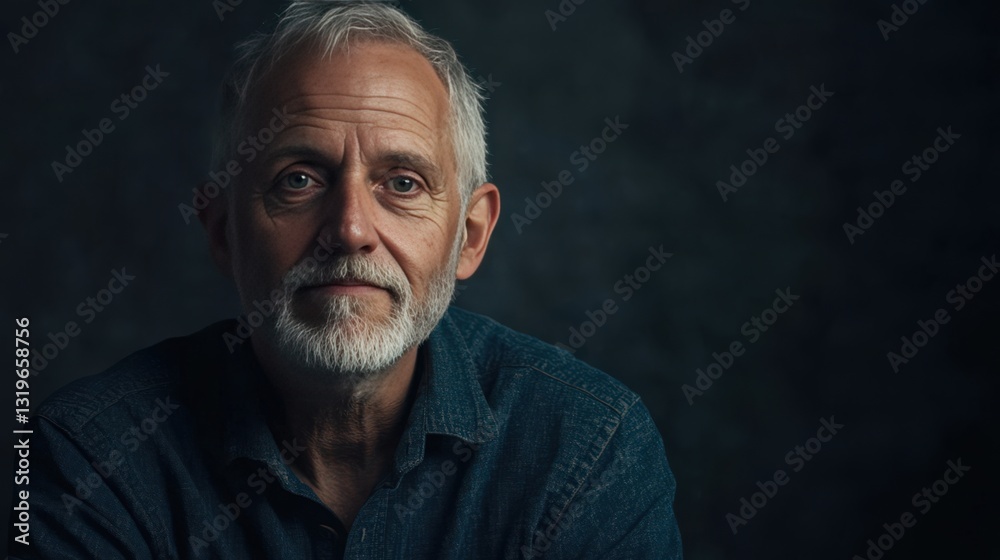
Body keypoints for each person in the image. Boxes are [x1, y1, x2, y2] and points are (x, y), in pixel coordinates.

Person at [9, 1, 682, 558]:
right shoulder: (87, 464)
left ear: (469, 236)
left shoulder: (590, 451)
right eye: (298, 180)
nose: (351, 228)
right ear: (221, 230)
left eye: (402, 182)